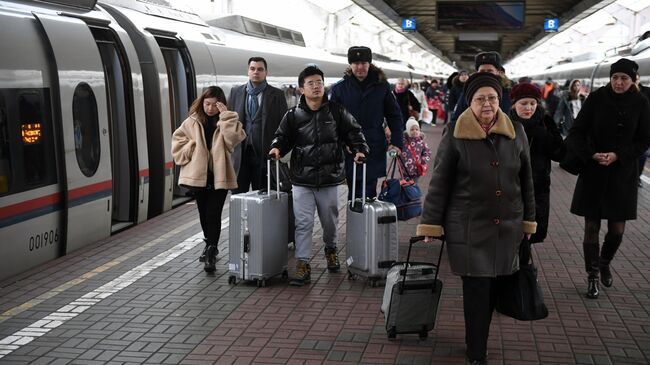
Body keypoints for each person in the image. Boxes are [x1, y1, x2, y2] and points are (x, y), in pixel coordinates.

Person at [416, 72, 536, 365]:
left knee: (495, 287)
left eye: (492, 98)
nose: (487, 104)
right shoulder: (456, 132)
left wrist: (529, 220)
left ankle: (477, 340)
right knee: (478, 289)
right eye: (480, 98)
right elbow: (440, 181)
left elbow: (527, 180)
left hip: (507, 226)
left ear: (500, 100)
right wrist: (431, 223)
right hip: (468, 226)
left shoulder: (516, 132)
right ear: (470, 102)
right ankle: (477, 350)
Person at [269, 66, 369, 286]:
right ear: (301, 89)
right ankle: (303, 263)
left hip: (329, 178)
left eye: (319, 83)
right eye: (311, 83)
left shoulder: (336, 111)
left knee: (330, 222)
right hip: (301, 179)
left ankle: (331, 249)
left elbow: (354, 132)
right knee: (303, 223)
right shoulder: (293, 115)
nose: (316, 87)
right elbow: (281, 137)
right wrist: (276, 148)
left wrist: (360, 148)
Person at [566, 58, 650, 299]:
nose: (619, 82)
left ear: (633, 80)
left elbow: (645, 139)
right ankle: (592, 276)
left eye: (624, 78)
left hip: (622, 173)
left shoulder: (641, 103)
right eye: (615, 78)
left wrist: (618, 155)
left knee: (617, 230)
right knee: (591, 227)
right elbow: (576, 131)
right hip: (594, 171)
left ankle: (604, 262)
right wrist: (590, 154)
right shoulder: (596, 98)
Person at [171, 86, 246, 273]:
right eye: (207, 104)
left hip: (219, 176)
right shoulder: (192, 122)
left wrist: (226, 117)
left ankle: (211, 251)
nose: (210, 108)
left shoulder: (227, 121)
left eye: (214, 104)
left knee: (214, 214)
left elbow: (235, 139)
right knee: (204, 215)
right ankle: (209, 243)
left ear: (221, 104)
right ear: (201, 102)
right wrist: (191, 147)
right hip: (199, 178)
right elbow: (177, 143)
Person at [329, 46, 403, 200]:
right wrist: (343, 142)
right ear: (350, 65)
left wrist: (397, 142)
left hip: (373, 144)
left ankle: (367, 220)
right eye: (355, 63)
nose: (360, 67)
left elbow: (394, 116)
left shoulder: (382, 87)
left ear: (370, 63)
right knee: (353, 186)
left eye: (363, 63)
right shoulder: (339, 89)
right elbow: (332, 121)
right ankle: (356, 220)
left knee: (369, 188)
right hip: (349, 147)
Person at [509, 82, 565, 244]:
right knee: (509, 231)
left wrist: (546, 135)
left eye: (533, 103)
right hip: (510, 186)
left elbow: (559, 153)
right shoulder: (504, 123)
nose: (529, 108)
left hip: (537, 187)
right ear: (514, 105)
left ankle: (524, 264)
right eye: (524, 103)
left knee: (531, 232)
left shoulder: (545, 123)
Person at [228, 57, 288, 193]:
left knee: (262, 195)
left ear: (266, 72)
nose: (256, 72)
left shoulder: (277, 95)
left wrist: (279, 148)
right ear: (248, 71)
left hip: (264, 156)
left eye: (260, 69)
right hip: (240, 154)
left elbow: (284, 126)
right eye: (252, 69)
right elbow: (229, 123)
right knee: (238, 195)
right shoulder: (236, 92)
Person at [451, 51, 512, 123]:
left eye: (490, 71)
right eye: (482, 71)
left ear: (498, 72)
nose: (485, 74)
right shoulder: (469, 91)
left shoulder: (507, 91)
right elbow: (457, 117)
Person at [400, 117, 431, 182]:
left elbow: (427, 153)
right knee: (405, 185)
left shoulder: (421, 142)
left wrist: (422, 160)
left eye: (417, 129)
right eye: (412, 129)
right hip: (403, 169)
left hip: (416, 170)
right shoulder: (403, 141)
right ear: (408, 130)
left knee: (413, 185)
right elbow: (397, 148)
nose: (415, 131)